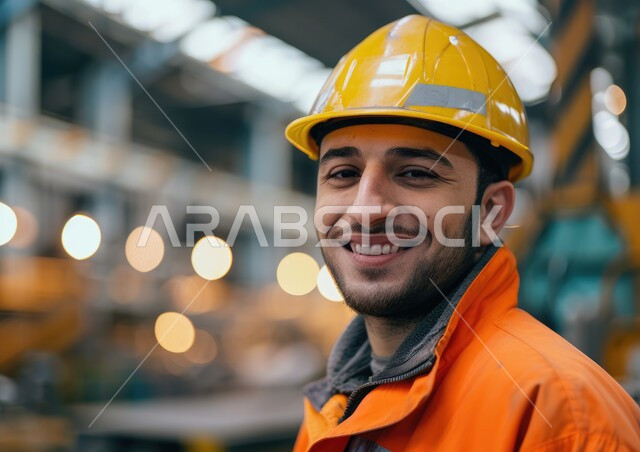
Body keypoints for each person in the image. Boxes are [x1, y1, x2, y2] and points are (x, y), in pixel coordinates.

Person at [284, 15, 640, 452]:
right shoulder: (333, 410)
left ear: (491, 212)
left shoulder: (563, 418)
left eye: (415, 173)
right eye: (343, 173)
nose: (365, 209)